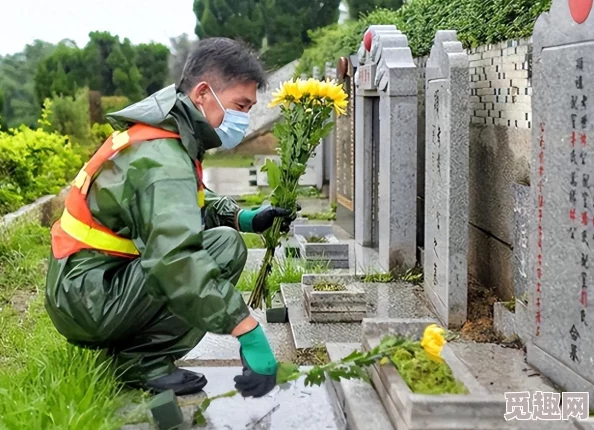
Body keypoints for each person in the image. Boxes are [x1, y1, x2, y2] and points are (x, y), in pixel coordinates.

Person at [44, 37, 296, 398]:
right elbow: (175, 259)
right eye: (240, 105)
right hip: (88, 298)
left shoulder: (164, 137)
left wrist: (244, 217)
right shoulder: (162, 155)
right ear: (203, 93)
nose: (244, 119)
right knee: (216, 253)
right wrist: (245, 328)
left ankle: (136, 353)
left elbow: (181, 203)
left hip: (86, 285)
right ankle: (143, 361)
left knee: (224, 239)